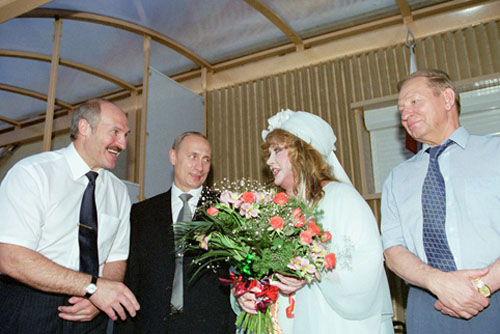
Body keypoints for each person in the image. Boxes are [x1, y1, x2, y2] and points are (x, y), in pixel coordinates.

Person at [235, 109, 394, 333]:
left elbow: (364, 267)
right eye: (269, 153)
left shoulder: (343, 199)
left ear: (302, 152)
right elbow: (254, 267)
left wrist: (310, 269)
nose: (269, 161)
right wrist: (247, 292)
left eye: (277, 150)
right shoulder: (272, 210)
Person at [0, 99, 140, 334]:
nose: (123, 144)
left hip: (91, 312)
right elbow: (10, 257)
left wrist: (98, 296)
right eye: (115, 132)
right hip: (29, 307)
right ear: (84, 128)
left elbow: (116, 259)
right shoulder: (32, 174)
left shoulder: (119, 192)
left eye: (125, 135)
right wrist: (93, 287)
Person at [381, 69, 500, 333]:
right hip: (429, 307)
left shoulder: (496, 153)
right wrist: (437, 282)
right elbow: (392, 250)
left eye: (414, 102)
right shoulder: (397, 179)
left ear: (447, 99)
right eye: (401, 109)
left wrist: (482, 285)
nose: (405, 114)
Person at [114, 131, 235, 333]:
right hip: (152, 325)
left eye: (206, 159)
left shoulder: (227, 210)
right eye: (193, 156)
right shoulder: (142, 213)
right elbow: (133, 277)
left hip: (210, 325)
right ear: (173, 157)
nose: (200, 166)